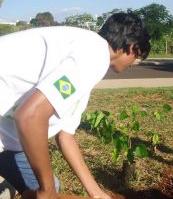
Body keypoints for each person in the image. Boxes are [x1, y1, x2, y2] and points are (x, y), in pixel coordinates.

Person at [0, 12, 150, 199]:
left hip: (8, 140)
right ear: (131, 47)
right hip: (8, 137)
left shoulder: (83, 58)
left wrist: (96, 193)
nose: (132, 65)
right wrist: (46, 192)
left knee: (49, 186)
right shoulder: (93, 55)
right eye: (137, 58)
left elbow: (65, 136)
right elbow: (30, 116)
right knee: (47, 189)